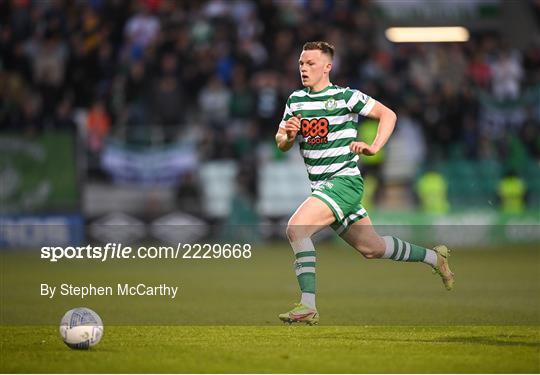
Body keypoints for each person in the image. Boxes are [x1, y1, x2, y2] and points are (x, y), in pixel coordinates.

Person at [275, 42, 454, 325]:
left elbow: (388, 115)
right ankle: (435, 258)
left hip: (343, 182)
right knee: (372, 249)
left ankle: (307, 305)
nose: (304, 68)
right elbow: (281, 143)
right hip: (322, 187)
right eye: (301, 63)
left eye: (310, 63)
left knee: (296, 229)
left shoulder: (346, 96)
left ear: (327, 67)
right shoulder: (295, 101)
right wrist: (287, 136)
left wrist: (375, 146)